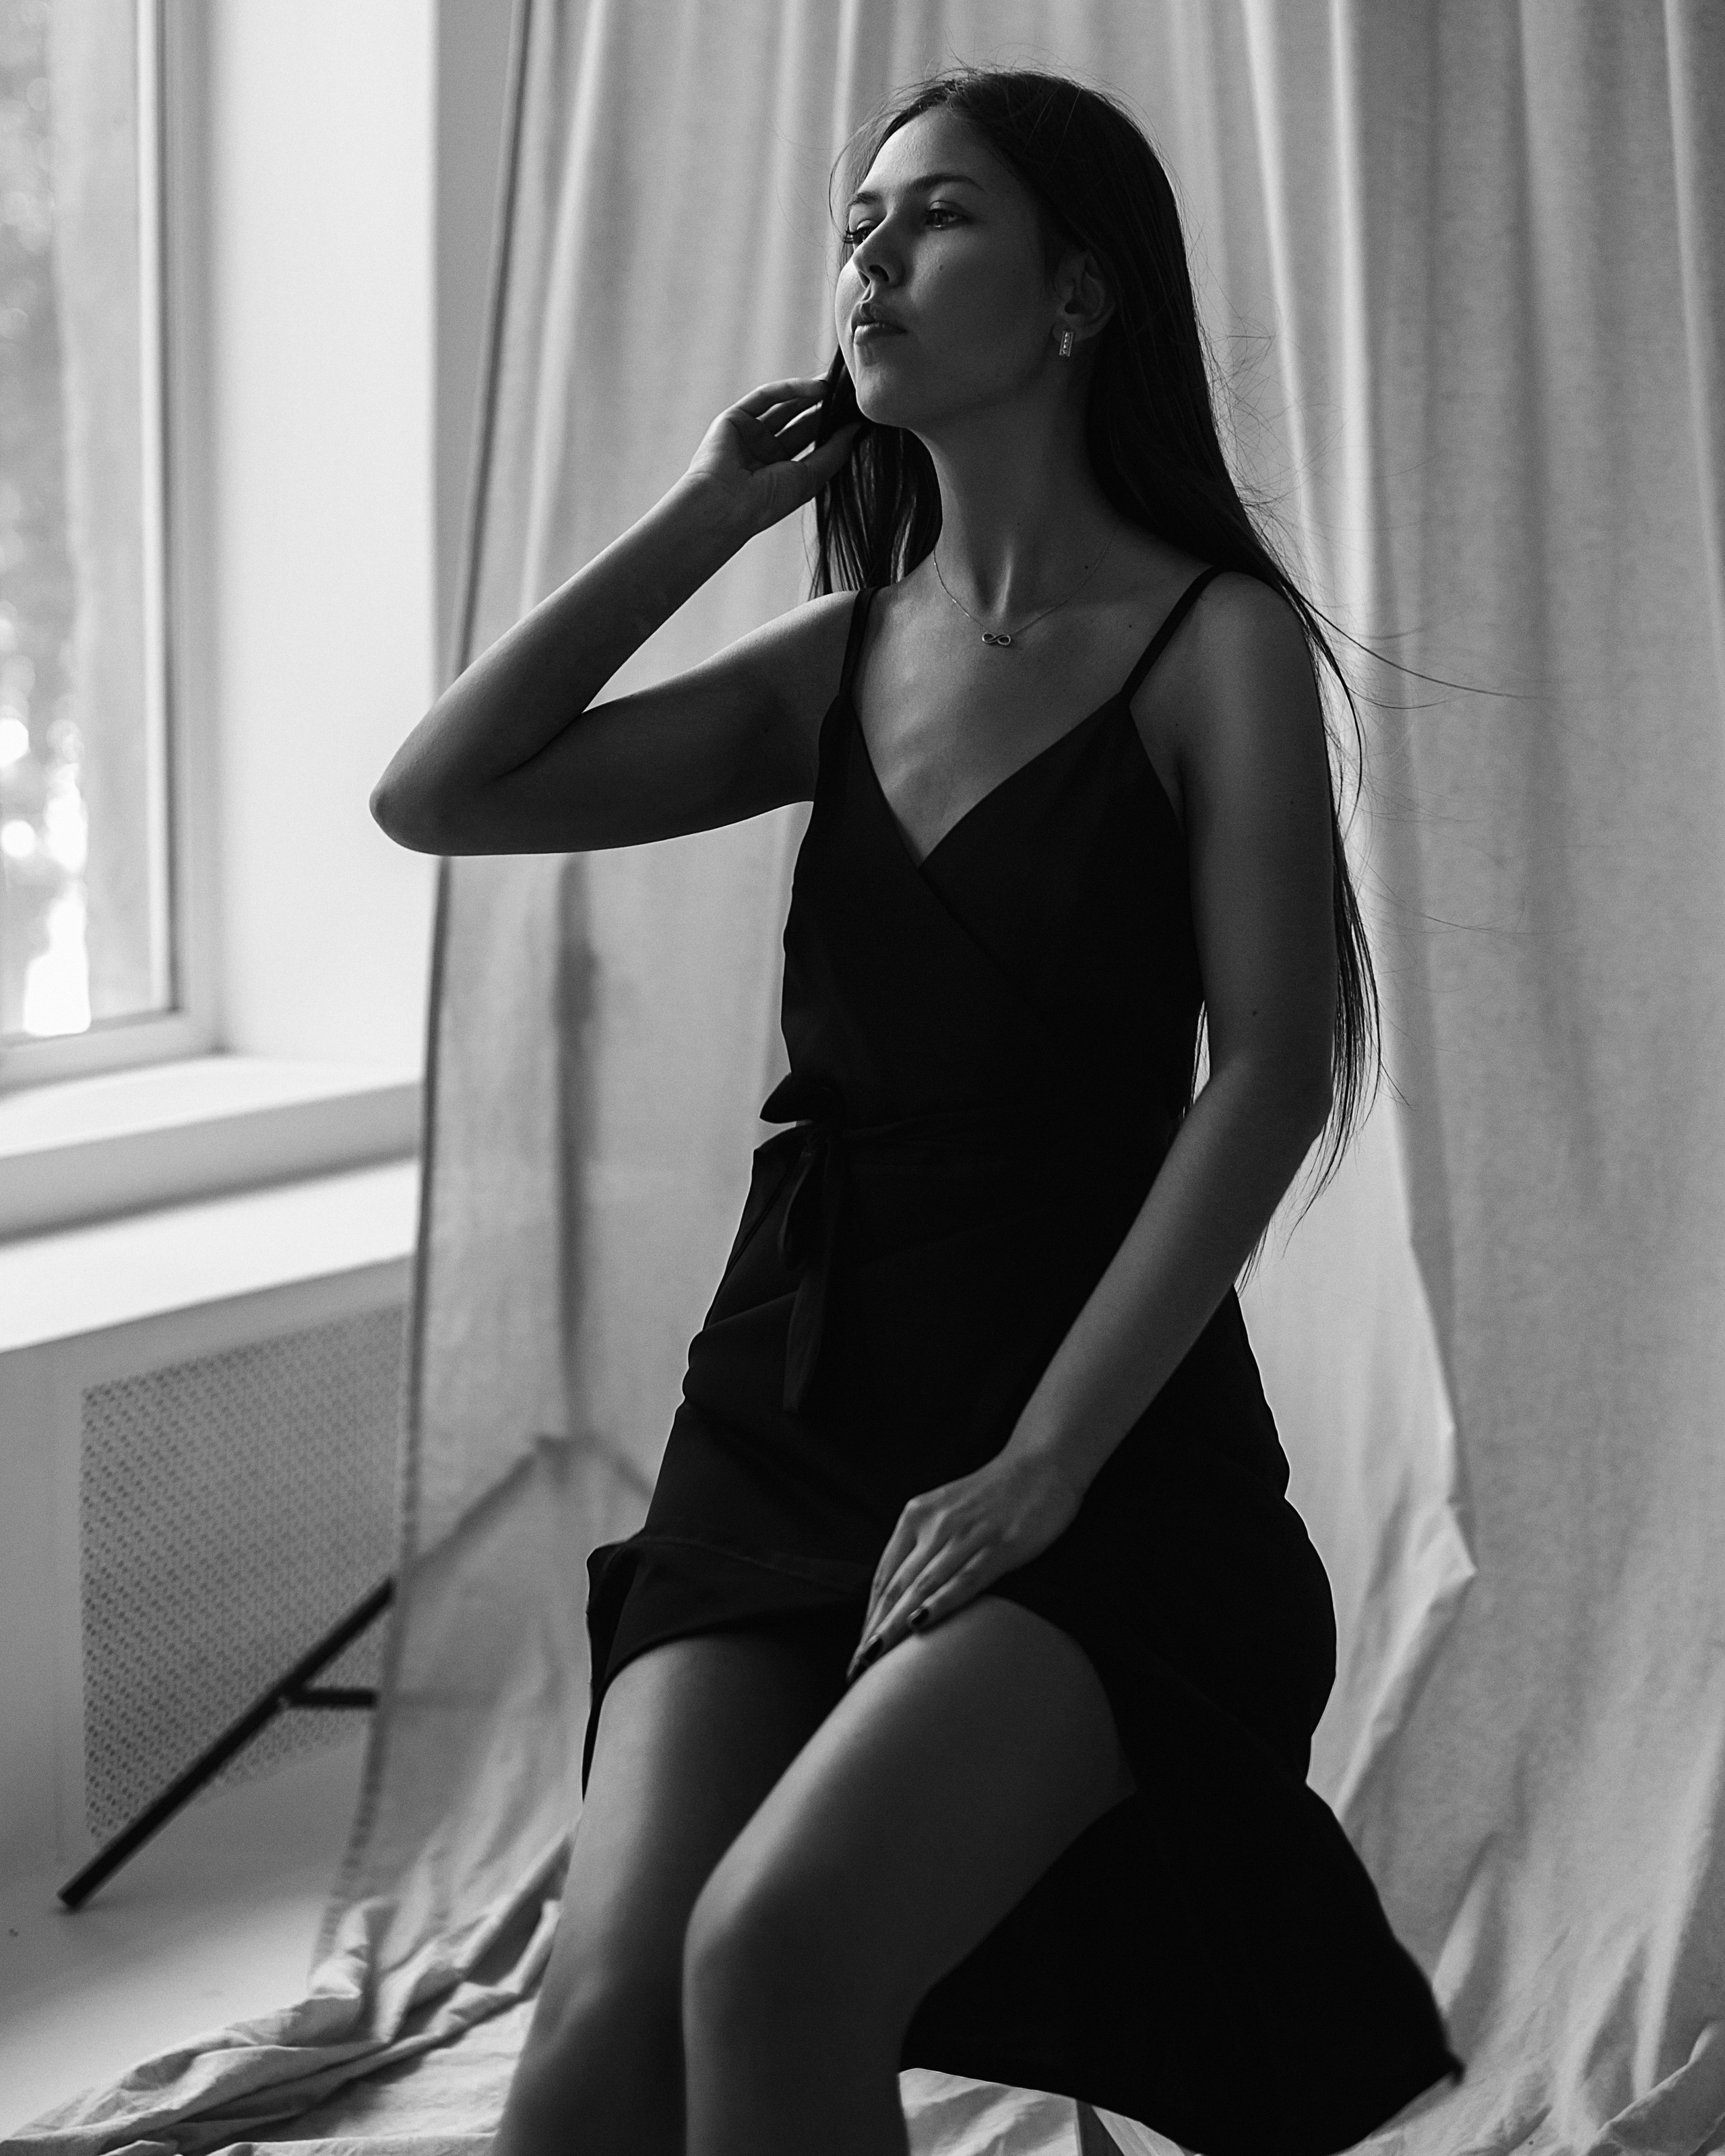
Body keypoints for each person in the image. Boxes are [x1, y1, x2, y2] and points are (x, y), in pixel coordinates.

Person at [371, 62, 1463, 2156]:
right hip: (785, 1412)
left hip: (1091, 1449)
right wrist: (708, 514)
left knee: (773, 1955)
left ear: (1079, 298)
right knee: (594, 2044)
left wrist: (1043, 1466)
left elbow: (1277, 1072)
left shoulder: (1214, 642)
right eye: (859, 224)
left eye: (938, 216)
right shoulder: (845, 650)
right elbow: (442, 792)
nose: (872, 258)